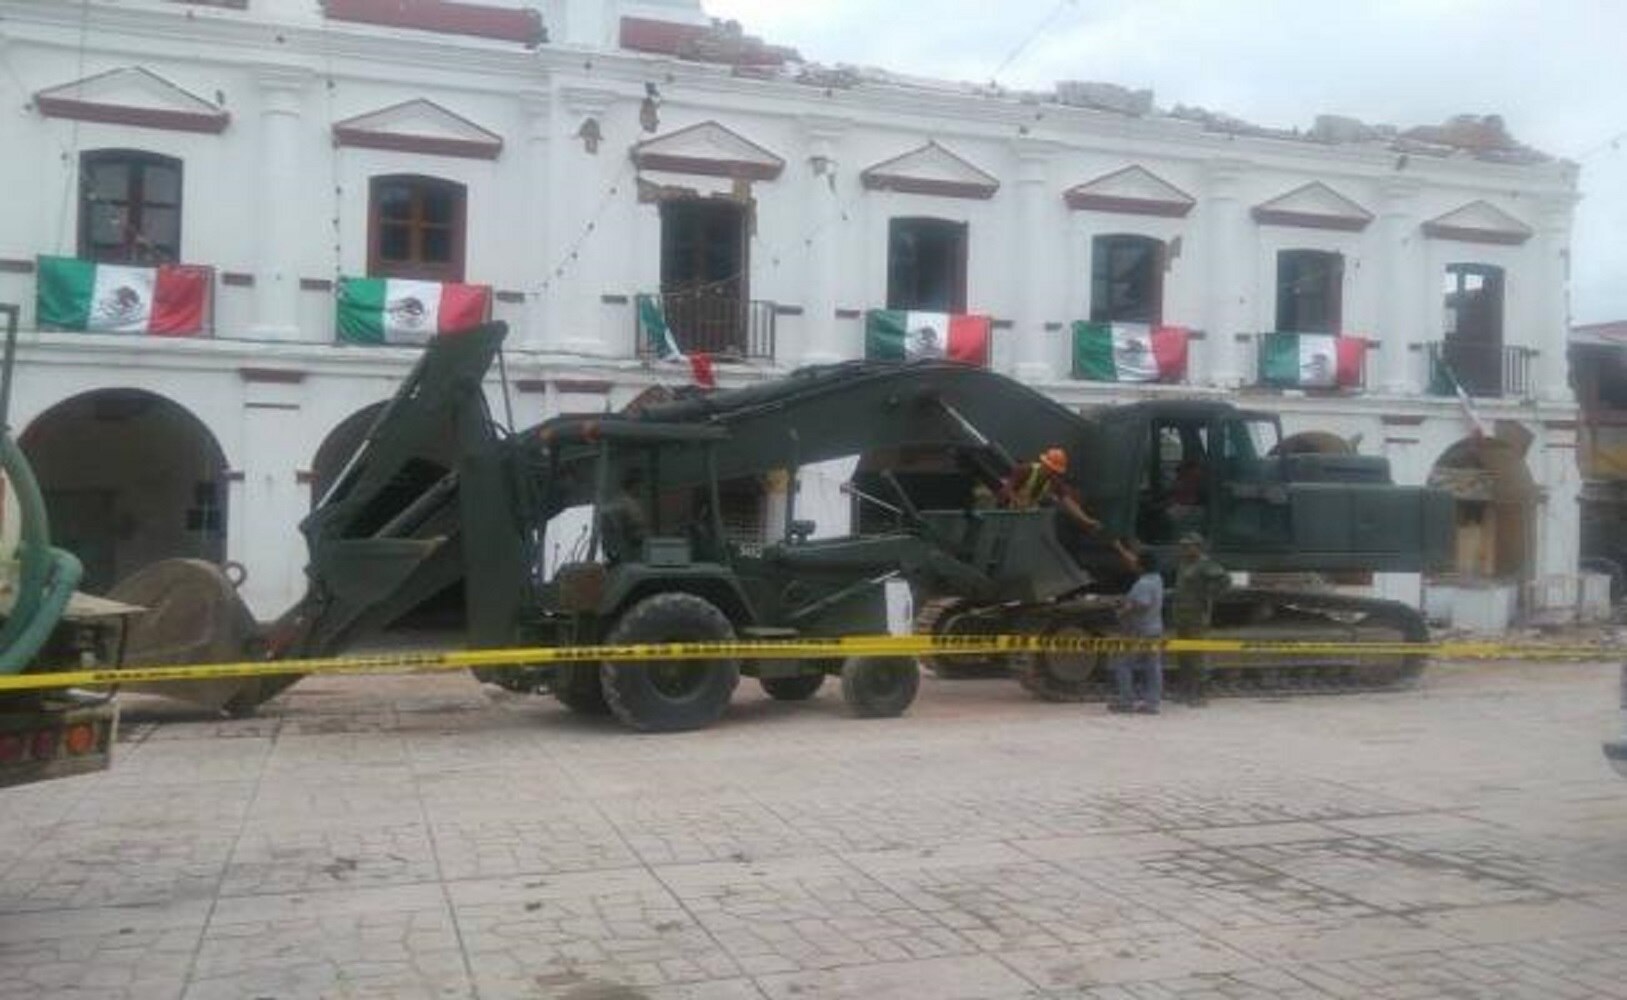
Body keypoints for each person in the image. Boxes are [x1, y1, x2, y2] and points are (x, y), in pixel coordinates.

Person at [1172, 531, 1230, 706]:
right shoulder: (1184, 563)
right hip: (1182, 615)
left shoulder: (1205, 564)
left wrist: (1208, 595)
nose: (1183, 549)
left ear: (1198, 547)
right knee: (1183, 654)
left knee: (1198, 655)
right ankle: (1185, 690)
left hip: (1197, 616)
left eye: (1187, 546)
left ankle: (1200, 693)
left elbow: (1225, 580)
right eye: (1182, 546)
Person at [1111, 543, 1164, 714]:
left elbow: (1142, 604)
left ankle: (1126, 701)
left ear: (1142, 565)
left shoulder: (1143, 583)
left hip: (1138, 631)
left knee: (1123, 664)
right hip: (1155, 629)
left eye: (1136, 562)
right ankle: (1152, 703)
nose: (1132, 563)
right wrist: (1119, 547)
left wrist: (1122, 611)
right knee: (1153, 666)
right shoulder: (1157, 579)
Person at [999, 447, 1102, 532]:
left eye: (1056, 471)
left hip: (1024, 517)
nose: (1053, 473)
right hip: (1005, 514)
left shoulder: (1054, 481)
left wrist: (1086, 520)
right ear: (1044, 464)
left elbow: (1069, 503)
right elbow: (1006, 490)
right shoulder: (1025, 470)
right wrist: (1016, 500)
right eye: (1051, 469)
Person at [598, 467, 649, 564]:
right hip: (628, 549)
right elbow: (606, 513)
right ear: (634, 485)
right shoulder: (623, 502)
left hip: (637, 547)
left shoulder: (634, 502)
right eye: (640, 485)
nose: (642, 489)